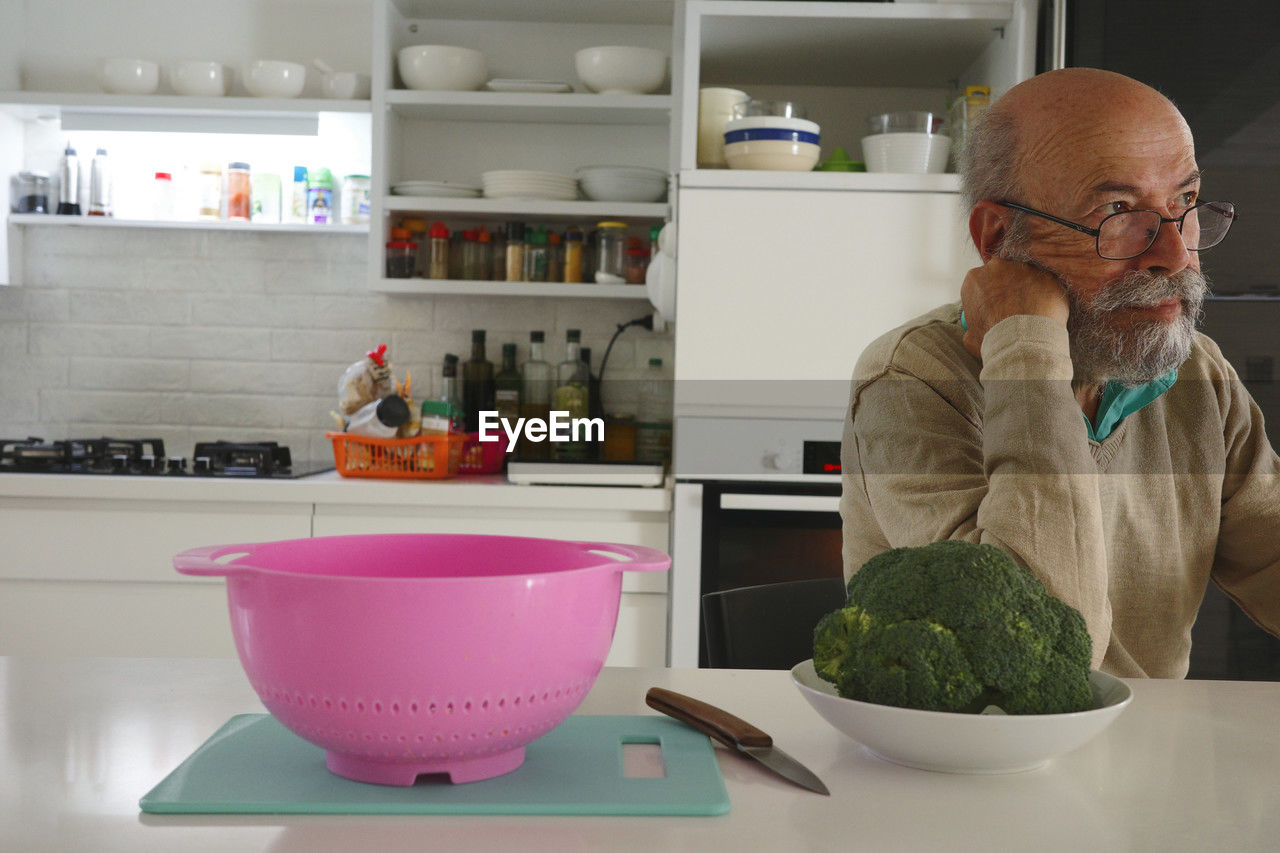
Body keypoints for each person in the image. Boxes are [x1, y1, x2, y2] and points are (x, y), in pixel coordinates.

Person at [839, 67, 1280, 677]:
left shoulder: (1195, 374)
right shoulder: (912, 379)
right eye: (1119, 212)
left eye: (1184, 202)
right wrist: (1028, 348)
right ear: (998, 236)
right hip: (969, 762)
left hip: (1149, 758)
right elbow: (1040, 658)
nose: (1177, 253)